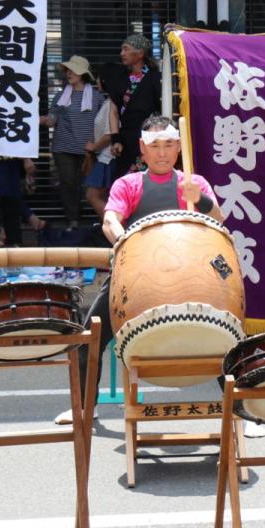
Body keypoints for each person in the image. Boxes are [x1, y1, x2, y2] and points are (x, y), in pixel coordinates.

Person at [53, 116, 228, 426]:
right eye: (155, 146)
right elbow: (111, 220)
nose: (162, 153)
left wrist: (197, 198)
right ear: (142, 149)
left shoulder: (194, 183)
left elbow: (218, 219)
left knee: (225, 333)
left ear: (178, 149)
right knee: (88, 336)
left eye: (169, 145)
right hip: (136, 275)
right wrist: (125, 243)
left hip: (191, 275)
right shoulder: (129, 183)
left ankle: (238, 411)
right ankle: (84, 406)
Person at [40, 56, 103, 230]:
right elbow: (53, 118)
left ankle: (96, 219)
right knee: (68, 183)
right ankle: (73, 220)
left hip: (90, 148)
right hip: (64, 147)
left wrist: (95, 145)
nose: (68, 73)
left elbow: (103, 122)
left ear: (83, 74)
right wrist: (46, 120)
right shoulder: (60, 95)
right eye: (67, 70)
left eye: (72, 70)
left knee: (91, 186)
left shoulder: (97, 96)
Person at [108, 34, 163, 180]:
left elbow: (163, 111)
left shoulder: (156, 78)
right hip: (125, 140)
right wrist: (116, 139)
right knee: (123, 181)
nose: (122, 54)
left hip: (148, 138)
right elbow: (113, 111)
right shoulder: (119, 78)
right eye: (121, 50)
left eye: (126, 49)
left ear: (140, 53)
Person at [84, 64, 122, 219]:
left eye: (99, 78)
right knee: (106, 197)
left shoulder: (112, 103)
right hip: (106, 157)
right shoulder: (110, 102)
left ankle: (116, 228)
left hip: (108, 157)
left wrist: (93, 147)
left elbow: (109, 135)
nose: (97, 81)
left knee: (93, 195)